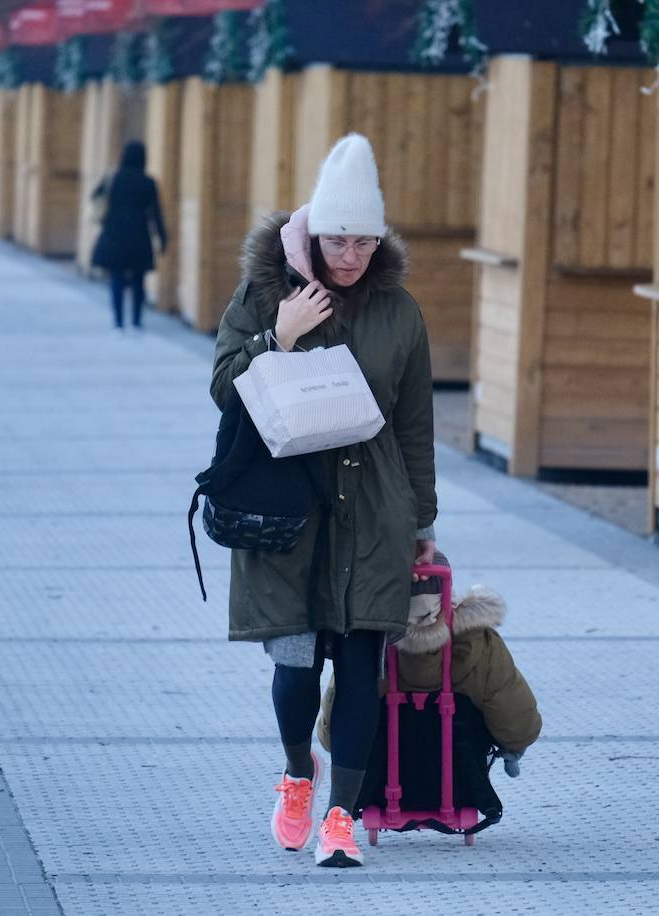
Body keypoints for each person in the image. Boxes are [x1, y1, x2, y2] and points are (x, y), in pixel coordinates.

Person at [210, 133, 437, 868]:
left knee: (363, 659)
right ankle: (298, 775)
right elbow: (223, 387)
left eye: (365, 241)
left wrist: (423, 522)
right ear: (313, 230)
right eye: (339, 238)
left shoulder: (399, 312)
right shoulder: (263, 295)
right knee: (299, 660)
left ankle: (343, 814)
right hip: (292, 510)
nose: (350, 255)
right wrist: (278, 334)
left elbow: (415, 424)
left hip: (374, 509)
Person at [316, 555, 542, 774]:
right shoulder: (480, 642)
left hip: (380, 785)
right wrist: (512, 747)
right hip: (464, 782)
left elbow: (332, 736)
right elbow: (518, 727)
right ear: (448, 597)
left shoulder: (365, 645)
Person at [90, 141, 166, 331]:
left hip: (115, 234)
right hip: (139, 236)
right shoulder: (148, 183)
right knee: (138, 279)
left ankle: (118, 322)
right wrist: (163, 237)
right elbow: (156, 214)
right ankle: (137, 321)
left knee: (117, 277)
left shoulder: (114, 178)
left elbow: (95, 195)